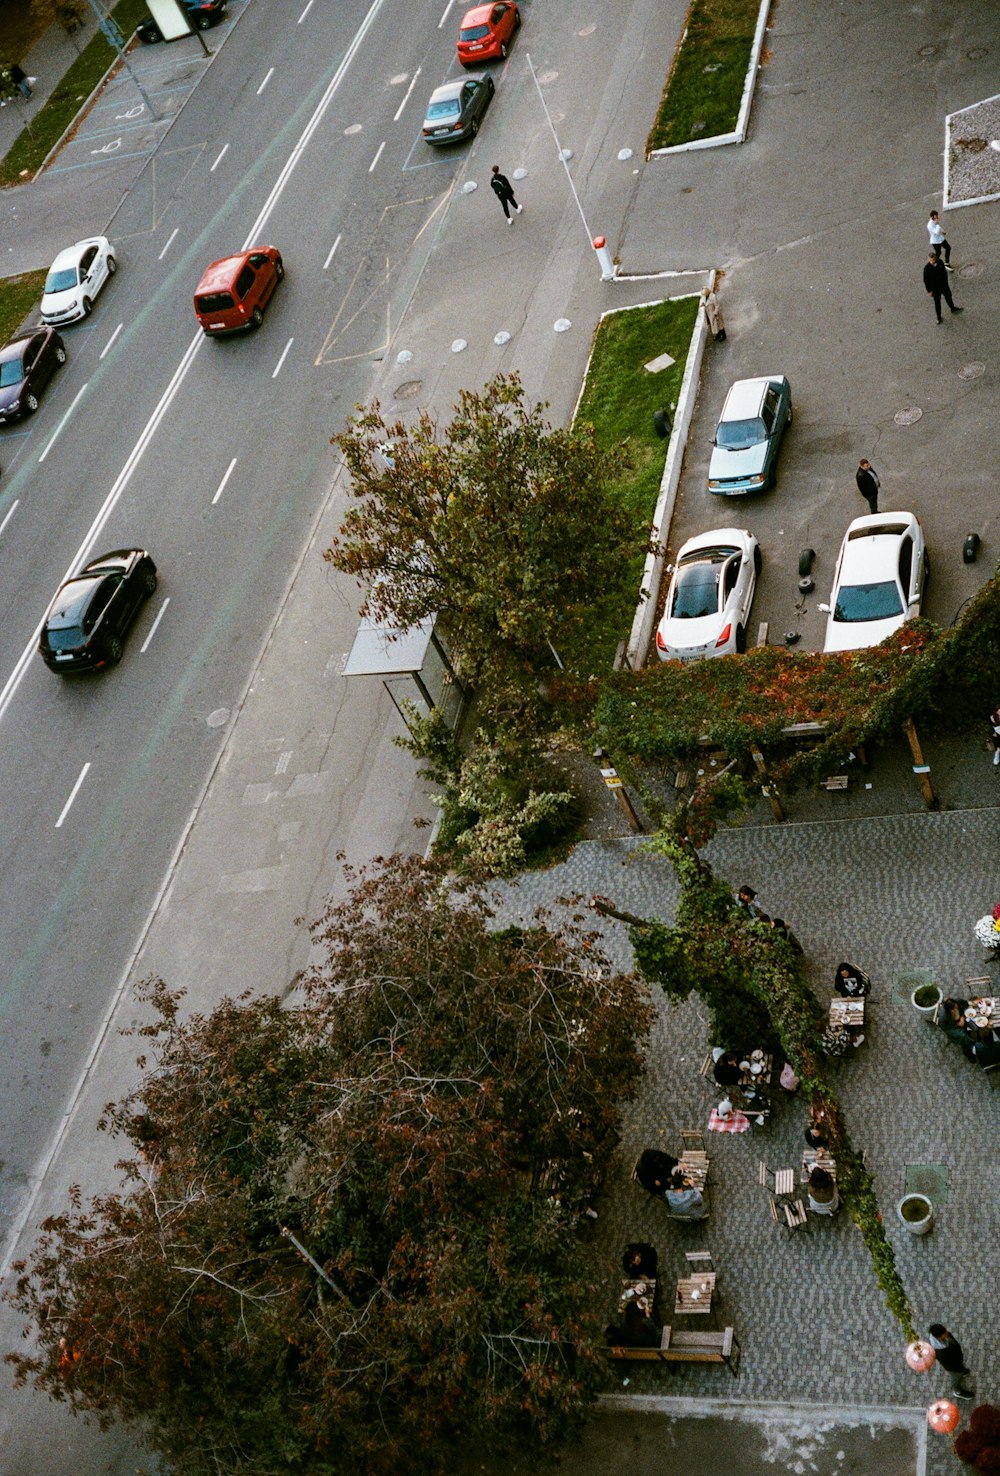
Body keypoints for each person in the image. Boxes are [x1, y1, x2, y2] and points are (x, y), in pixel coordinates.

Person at [928, 1324, 975, 1398]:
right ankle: (957, 1391)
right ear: (939, 1337)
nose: (947, 1332)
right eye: (944, 1332)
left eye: (945, 1330)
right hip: (954, 1367)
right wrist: (959, 1369)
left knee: (961, 1370)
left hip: (957, 1361)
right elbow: (950, 1364)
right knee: (956, 1378)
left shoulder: (943, 1338)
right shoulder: (942, 1353)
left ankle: (962, 1371)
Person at [923, 252, 962, 323]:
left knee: (948, 297)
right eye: (931, 260)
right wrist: (929, 291)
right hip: (935, 289)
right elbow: (926, 281)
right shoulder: (926, 269)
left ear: (935, 258)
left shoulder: (940, 262)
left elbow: (944, 272)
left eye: (934, 259)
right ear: (928, 260)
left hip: (944, 285)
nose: (933, 261)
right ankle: (938, 317)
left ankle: (952, 308)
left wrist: (946, 283)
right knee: (937, 303)